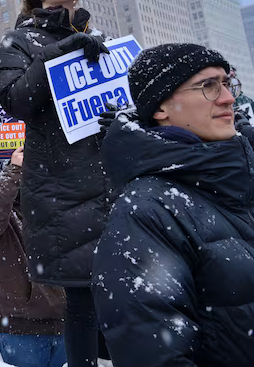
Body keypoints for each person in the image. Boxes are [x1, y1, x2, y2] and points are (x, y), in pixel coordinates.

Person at [94, 44, 254, 365]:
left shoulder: (241, 176)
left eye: (226, 83)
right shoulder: (145, 210)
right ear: (161, 108)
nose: (227, 97)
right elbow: (154, 353)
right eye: (209, 86)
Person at [0, 0, 111, 367]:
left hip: (109, 185)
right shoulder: (18, 41)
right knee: (81, 302)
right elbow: (17, 100)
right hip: (62, 190)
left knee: (117, 298)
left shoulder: (97, 36)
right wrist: (60, 52)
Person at [0, 147, 66, 367]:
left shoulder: (55, 210)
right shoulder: (2, 218)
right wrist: (13, 170)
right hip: (20, 325)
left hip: (64, 322)